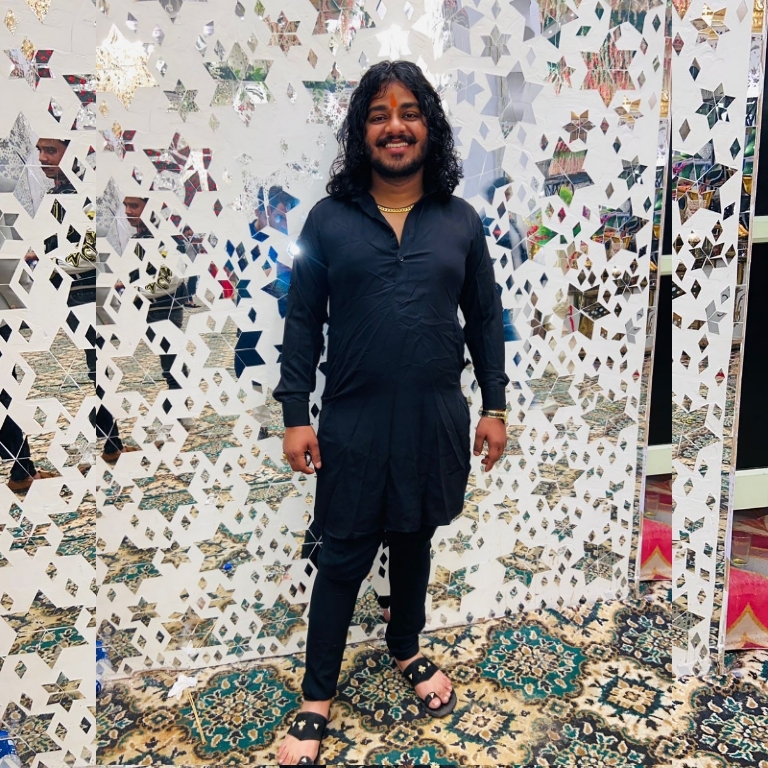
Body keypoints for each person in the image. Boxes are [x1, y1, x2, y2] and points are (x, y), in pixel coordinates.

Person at [273, 60, 508, 766]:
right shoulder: (329, 220)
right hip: (353, 422)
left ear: (429, 128)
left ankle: (405, 646)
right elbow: (302, 321)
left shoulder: (459, 222)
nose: (395, 127)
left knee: (413, 543)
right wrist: (294, 413)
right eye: (379, 115)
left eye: (409, 113)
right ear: (361, 132)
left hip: (435, 420)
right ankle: (317, 696)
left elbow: (485, 319)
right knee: (342, 555)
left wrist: (495, 405)